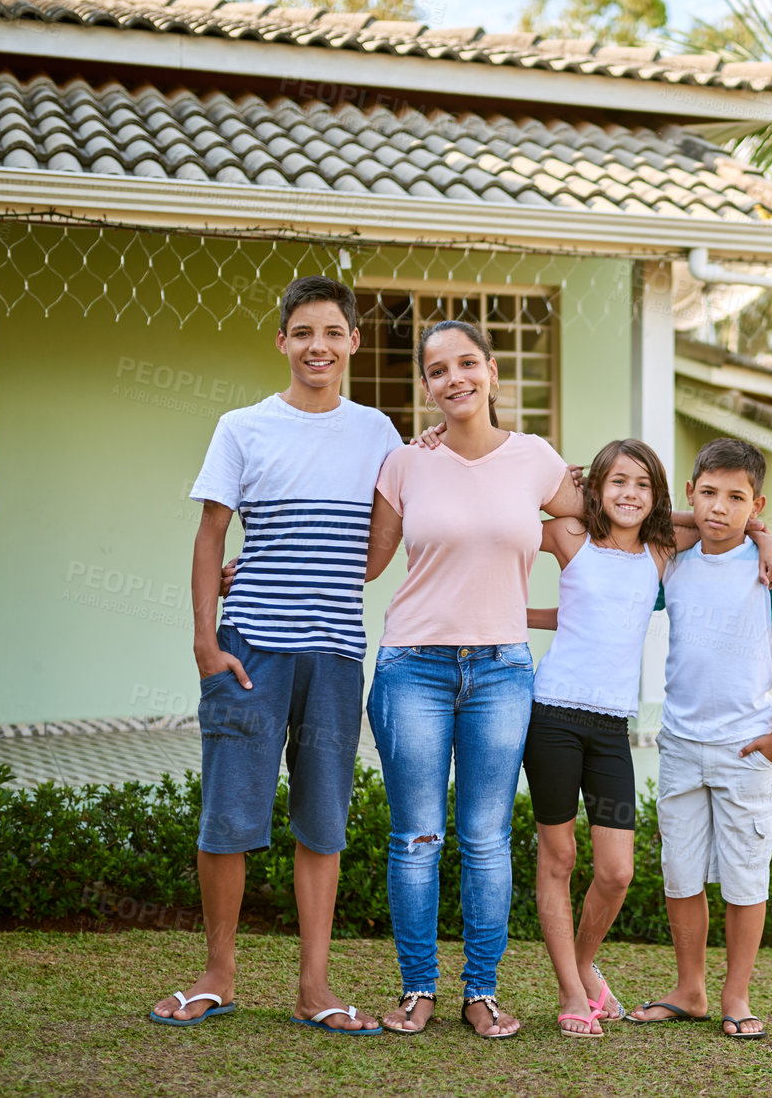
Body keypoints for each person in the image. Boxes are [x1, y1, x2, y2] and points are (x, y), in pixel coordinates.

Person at [150, 276, 397, 1035]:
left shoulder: (379, 433)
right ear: (282, 341)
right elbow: (210, 537)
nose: (316, 346)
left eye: (331, 332)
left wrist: (325, 572)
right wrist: (204, 640)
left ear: (353, 341)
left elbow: (383, 538)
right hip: (249, 649)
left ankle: (313, 987)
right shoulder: (242, 427)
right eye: (302, 332)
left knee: (322, 823)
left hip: (334, 655)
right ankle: (217, 974)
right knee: (229, 816)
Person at [520, 439, 772, 1038]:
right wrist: (508, 607)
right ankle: (571, 992)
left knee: (617, 871)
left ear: (659, 497)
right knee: (559, 858)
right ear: (595, 488)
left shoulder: (662, 550)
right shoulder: (569, 535)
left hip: (611, 726)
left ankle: (585, 966)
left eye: (642, 485)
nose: (629, 494)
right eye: (616, 482)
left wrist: (765, 534)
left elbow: (720, 518)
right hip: (554, 716)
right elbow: (503, 525)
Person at [362, 319, 585, 1040]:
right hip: (412, 667)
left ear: (491, 372)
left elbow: (617, 516)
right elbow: (366, 561)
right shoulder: (404, 463)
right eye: (437, 369)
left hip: (500, 670)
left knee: (486, 838)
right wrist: (263, 571)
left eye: (466, 363)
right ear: (426, 386)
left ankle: (480, 992)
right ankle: (418, 989)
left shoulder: (536, 461)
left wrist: (752, 536)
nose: (453, 377)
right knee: (417, 837)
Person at [626, 438, 772, 1040]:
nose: (719, 508)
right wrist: (763, 528)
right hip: (680, 744)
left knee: (744, 878)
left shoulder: (770, 570)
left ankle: (736, 995)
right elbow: (649, 520)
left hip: (745, 749)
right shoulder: (672, 563)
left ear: (755, 503)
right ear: (689, 493)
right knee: (680, 874)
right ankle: (691, 989)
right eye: (708, 493)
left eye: (737, 499)